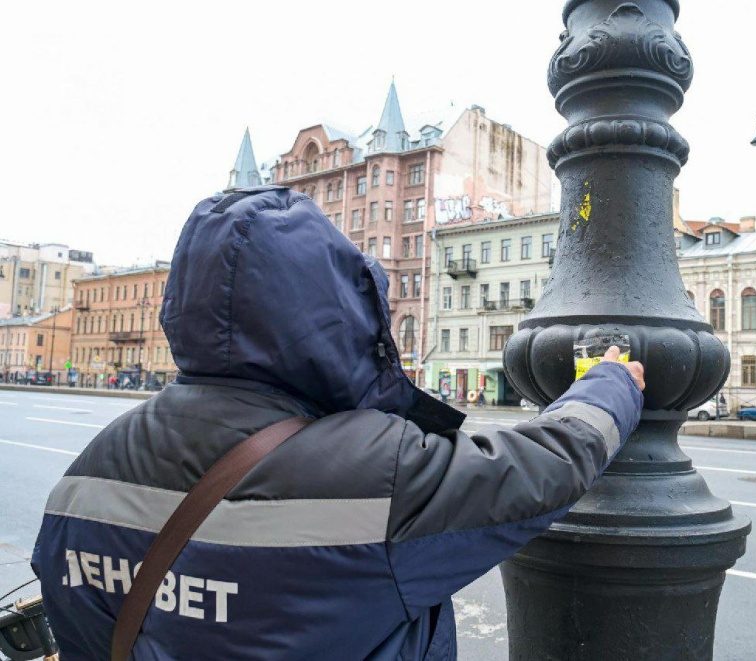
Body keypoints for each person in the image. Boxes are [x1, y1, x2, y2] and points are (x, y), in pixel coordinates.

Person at [32, 187, 645, 660]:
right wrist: (612, 382)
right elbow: (545, 464)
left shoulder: (87, 471)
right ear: (337, 313)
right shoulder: (376, 468)